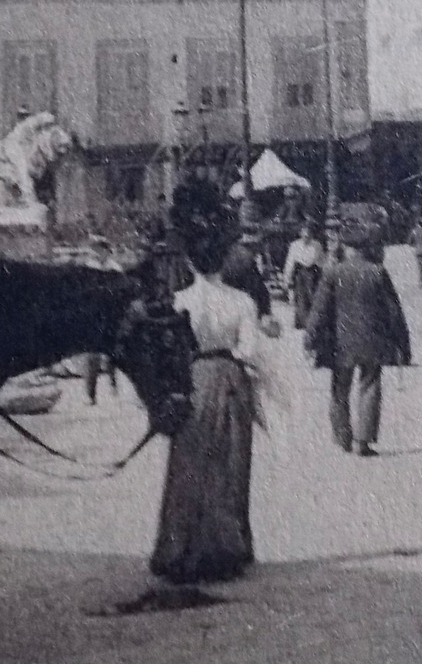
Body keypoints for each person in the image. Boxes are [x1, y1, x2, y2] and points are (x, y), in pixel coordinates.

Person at [151, 179, 266, 585]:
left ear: (193, 264)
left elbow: (169, 351)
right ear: (221, 261)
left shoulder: (180, 301)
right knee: (232, 465)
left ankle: (181, 546)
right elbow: (250, 352)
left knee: (188, 463)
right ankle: (229, 548)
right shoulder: (242, 302)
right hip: (232, 379)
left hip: (194, 377)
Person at [304, 217, 412, 456]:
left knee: (339, 387)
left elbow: (319, 310)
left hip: (341, 342)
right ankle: (363, 441)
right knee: (370, 384)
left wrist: (310, 339)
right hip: (373, 340)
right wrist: (403, 344)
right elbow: (394, 311)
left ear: (346, 247)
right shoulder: (378, 272)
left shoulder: (333, 272)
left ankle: (343, 436)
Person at [221, 199, 279, 336]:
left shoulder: (226, 254)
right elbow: (259, 291)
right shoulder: (245, 258)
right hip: (242, 314)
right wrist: (265, 313)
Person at [282, 219, 325, 330]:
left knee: (312, 297)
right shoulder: (294, 245)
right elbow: (290, 263)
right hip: (300, 273)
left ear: (312, 234)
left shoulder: (317, 245)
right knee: (300, 297)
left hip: (313, 273)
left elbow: (321, 262)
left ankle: (312, 323)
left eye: (309, 234)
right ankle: (301, 323)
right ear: (300, 233)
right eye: (304, 234)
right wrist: (287, 279)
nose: (306, 236)